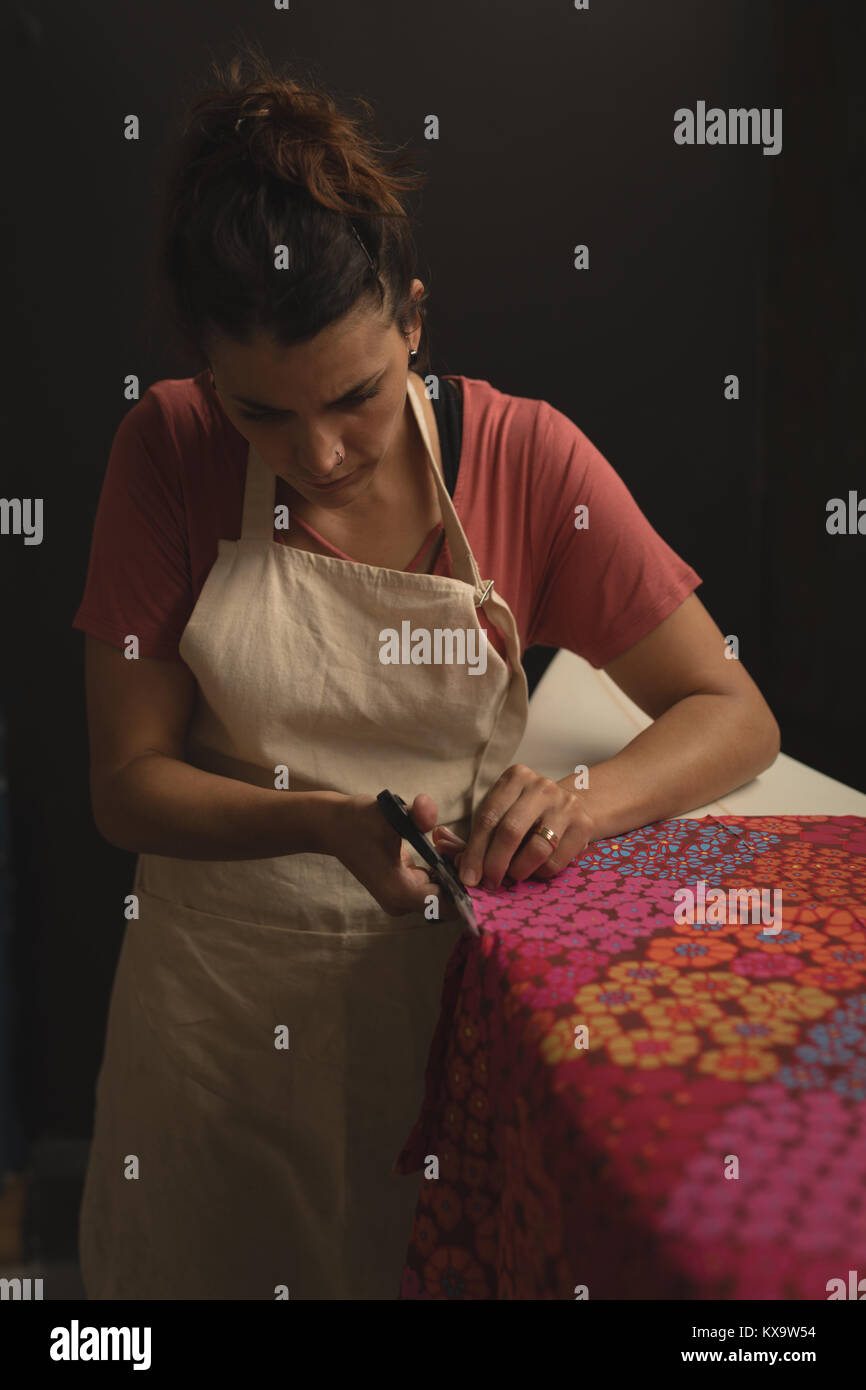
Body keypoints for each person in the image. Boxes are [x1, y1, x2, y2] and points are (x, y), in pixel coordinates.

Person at [72, 48, 780, 1300]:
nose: (320, 453)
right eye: (262, 416)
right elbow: (126, 785)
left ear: (412, 318)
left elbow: (731, 714)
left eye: (354, 394)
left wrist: (579, 803)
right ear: (206, 377)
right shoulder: (165, 451)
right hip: (212, 1025)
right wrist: (326, 820)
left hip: (445, 1034)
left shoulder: (525, 458)